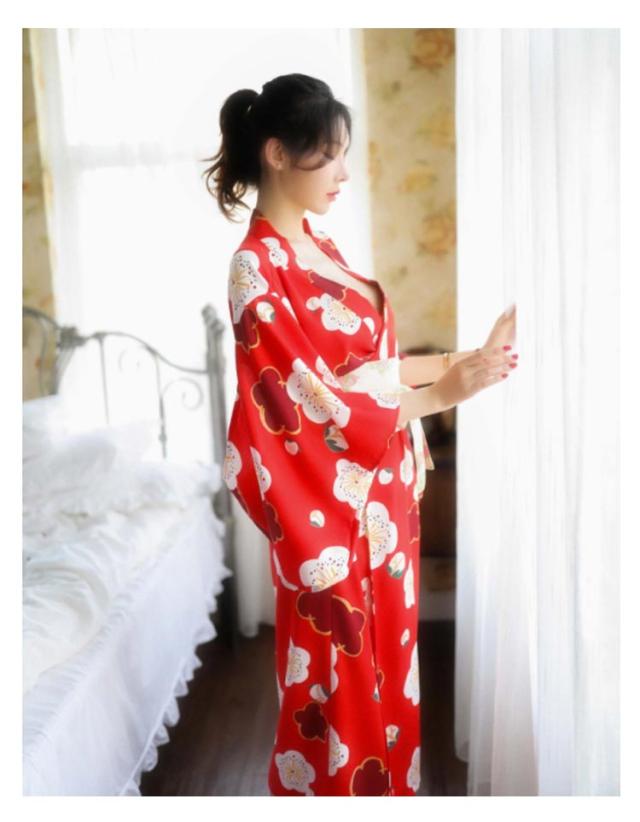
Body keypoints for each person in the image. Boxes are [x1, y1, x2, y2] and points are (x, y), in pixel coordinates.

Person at [202, 73, 517, 797]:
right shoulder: (256, 267)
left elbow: (369, 370)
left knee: (388, 676)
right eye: (331, 153)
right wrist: (439, 397)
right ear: (278, 153)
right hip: (327, 521)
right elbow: (303, 402)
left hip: (383, 505)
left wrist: (467, 360)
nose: (344, 171)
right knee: (337, 691)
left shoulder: (319, 243)